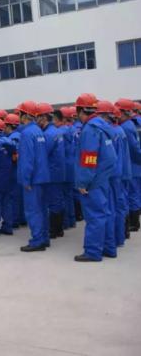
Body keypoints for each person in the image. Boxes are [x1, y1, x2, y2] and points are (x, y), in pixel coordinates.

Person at [74, 93, 117, 262]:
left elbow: (89, 158)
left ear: (80, 110)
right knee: (105, 214)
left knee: (95, 216)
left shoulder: (90, 129)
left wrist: (83, 182)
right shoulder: (103, 126)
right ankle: (109, 248)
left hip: (93, 181)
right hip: (103, 178)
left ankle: (93, 252)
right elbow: (111, 157)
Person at [17, 101, 50, 252]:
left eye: (19, 113)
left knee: (33, 211)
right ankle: (44, 238)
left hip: (33, 179)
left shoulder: (27, 133)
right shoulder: (38, 131)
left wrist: (26, 180)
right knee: (42, 209)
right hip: (42, 176)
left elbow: (27, 159)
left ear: (24, 115)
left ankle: (37, 241)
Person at [100, 102, 131, 247]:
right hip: (121, 172)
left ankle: (112, 240)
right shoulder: (120, 130)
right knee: (120, 205)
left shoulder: (109, 132)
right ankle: (120, 237)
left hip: (112, 175)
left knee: (111, 208)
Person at [36, 103, 66, 239]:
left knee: (53, 201)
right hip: (58, 171)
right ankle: (59, 229)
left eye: (38, 117)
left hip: (51, 172)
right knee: (58, 200)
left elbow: (42, 154)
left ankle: (54, 230)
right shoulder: (57, 131)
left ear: (43, 118)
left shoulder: (48, 134)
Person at [114, 98, 141, 233]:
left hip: (132, 165)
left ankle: (134, 223)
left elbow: (134, 149)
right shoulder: (129, 125)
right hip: (134, 165)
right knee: (133, 193)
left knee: (132, 194)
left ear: (125, 112)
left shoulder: (126, 127)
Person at [56, 107, 77, 230]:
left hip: (64, 166)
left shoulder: (60, 132)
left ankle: (65, 221)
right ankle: (71, 219)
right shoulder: (73, 130)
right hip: (72, 164)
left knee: (62, 195)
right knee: (69, 195)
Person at [3, 113, 24, 230]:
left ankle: (14, 220)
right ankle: (22, 218)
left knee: (13, 197)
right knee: (20, 196)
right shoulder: (21, 135)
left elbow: (15, 156)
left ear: (8, 126)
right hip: (20, 170)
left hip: (13, 170)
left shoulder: (12, 139)